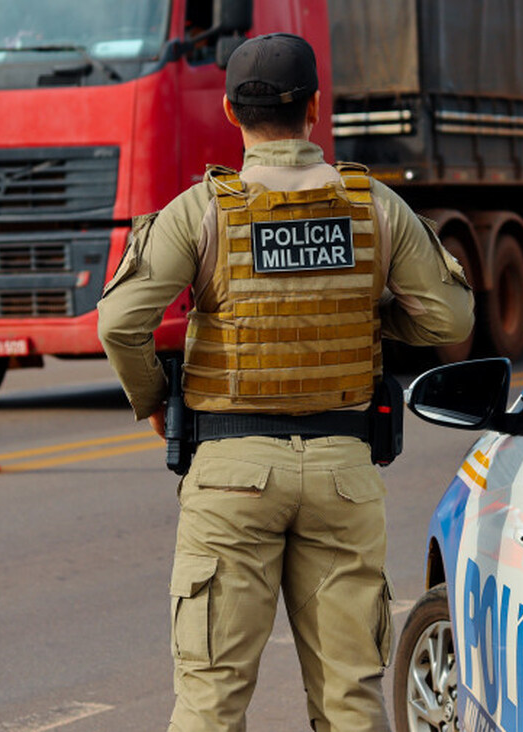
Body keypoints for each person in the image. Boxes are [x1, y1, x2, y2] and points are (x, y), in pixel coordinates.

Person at [96, 32, 474, 732]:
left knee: (210, 704)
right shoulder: (374, 208)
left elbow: (119, 323)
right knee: (351, 701)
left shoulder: (202, 210)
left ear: (231, 114)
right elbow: (450, 315)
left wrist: (155, 400)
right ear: (316, 108)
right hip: (343, 473)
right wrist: (370, 320)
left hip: (230, 474)